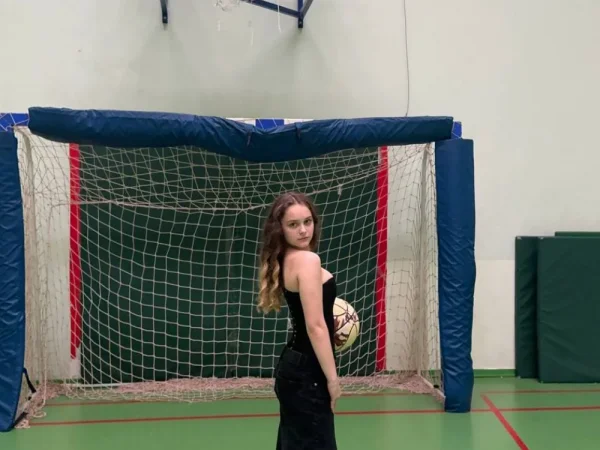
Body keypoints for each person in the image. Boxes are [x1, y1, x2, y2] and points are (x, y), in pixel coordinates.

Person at [257, 191, 341, 450]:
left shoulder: (285, 258)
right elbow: (315, 327)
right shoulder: (307, 260)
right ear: (280, 229)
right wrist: (333, 380)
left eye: (308, 221)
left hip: (293, 368)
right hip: (308, 374)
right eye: (293, 224)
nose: (303, 230)